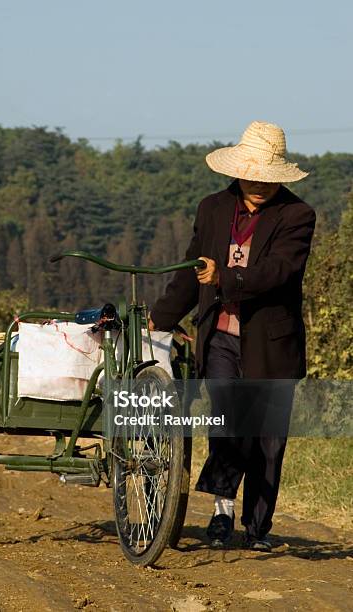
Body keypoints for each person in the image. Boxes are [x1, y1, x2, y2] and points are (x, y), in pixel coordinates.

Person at [149, 121, 316, 551]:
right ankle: (222, 512)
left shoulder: (297, 216)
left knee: (268, 442)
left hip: (272, 344)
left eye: (268, 176)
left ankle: (258, 528)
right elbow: (192, 272)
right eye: (253, 174)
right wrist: (163, 318)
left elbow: (279, 271)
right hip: (220, 336)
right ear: (238, 171)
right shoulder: (212, 209)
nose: (260, 183)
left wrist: (223, 277)